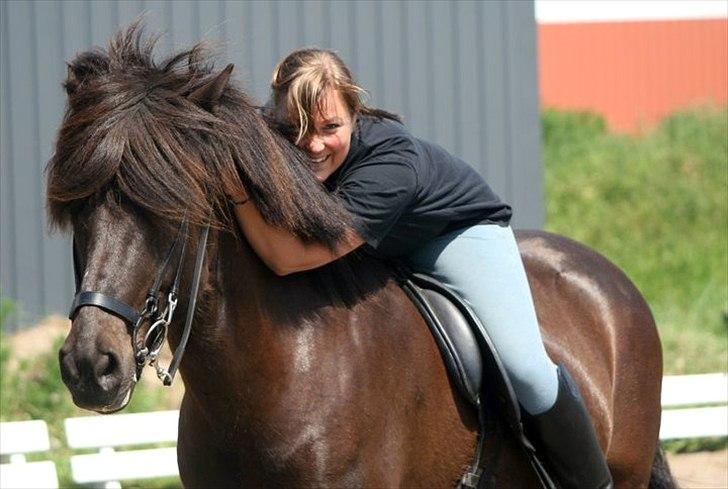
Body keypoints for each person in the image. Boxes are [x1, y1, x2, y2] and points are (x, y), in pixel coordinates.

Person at [228, 48, 612, 489]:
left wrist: (236, 190)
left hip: (451, 235)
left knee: (526, 370)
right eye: (293, 129)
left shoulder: (392, 165)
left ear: (355, 114)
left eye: (330, 127)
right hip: (375, 245)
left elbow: (287, 257)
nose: (312, 145)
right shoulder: (267, 136)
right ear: (273, 116)